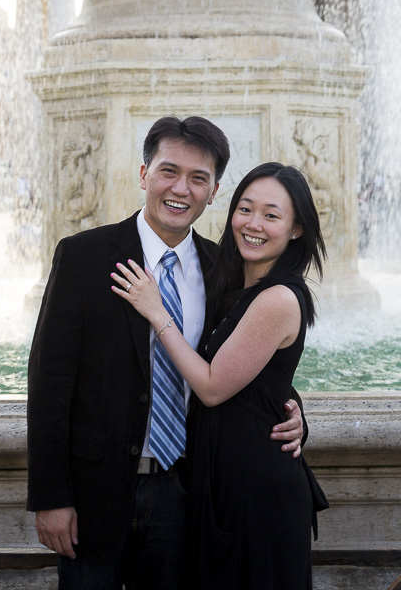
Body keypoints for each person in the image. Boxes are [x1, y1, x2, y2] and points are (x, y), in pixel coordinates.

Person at [27, 116, 305, 590]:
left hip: (186, 490)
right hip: (96, 494)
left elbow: (244, 361)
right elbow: (49, 383)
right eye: (168, 171)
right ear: (143, 175)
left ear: (215, 190)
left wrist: (296, 411)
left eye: (199, 178)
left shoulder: (225, 269)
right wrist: (50, 497)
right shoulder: (84, 256)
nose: (182, 189)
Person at [113, 162, 328, 590]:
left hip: (254, 490)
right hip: (220, 478)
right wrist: (293, 404)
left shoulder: (278, 298)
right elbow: (262, 374)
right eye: (245, 209)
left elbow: (211, 387)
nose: (253, 224)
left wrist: (158, 312)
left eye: (271, 215)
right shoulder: (232, 284)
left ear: (297, 229)